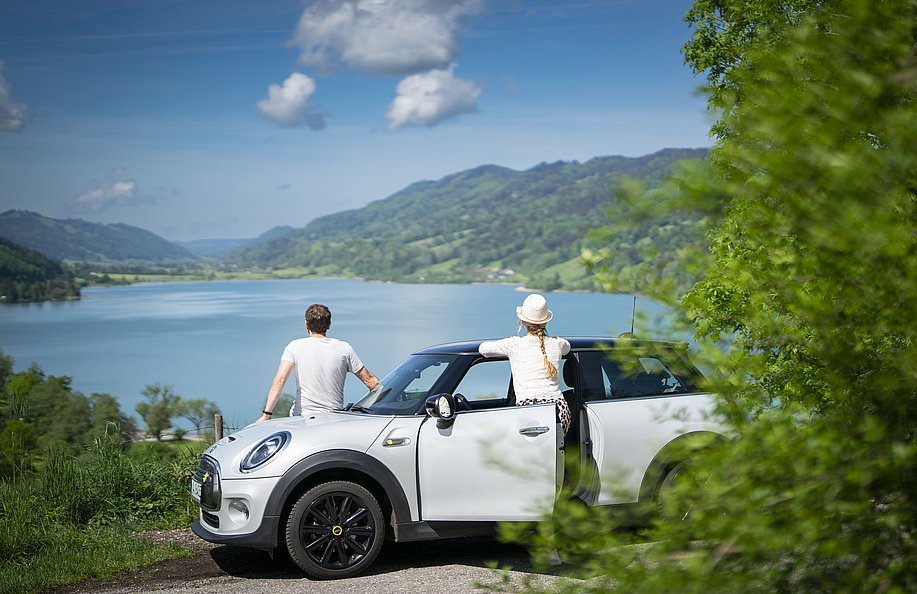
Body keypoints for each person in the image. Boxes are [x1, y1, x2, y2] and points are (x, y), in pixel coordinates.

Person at [257, 303, 379, 422]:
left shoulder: (294, 346)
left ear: (306, 325)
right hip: (333, 418)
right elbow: (369, 380)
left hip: (301, 418)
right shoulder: (344, 348)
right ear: (329, 325)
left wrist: (267, 415)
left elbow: (280, 380)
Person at [478, 293, 572, 433]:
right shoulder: (557, 343)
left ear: (522, 322)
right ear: (545, 322)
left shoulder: (514, 344)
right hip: (559, 409)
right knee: (556, 452)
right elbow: (567, 347)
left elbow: (483, 349)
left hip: (530, 409)